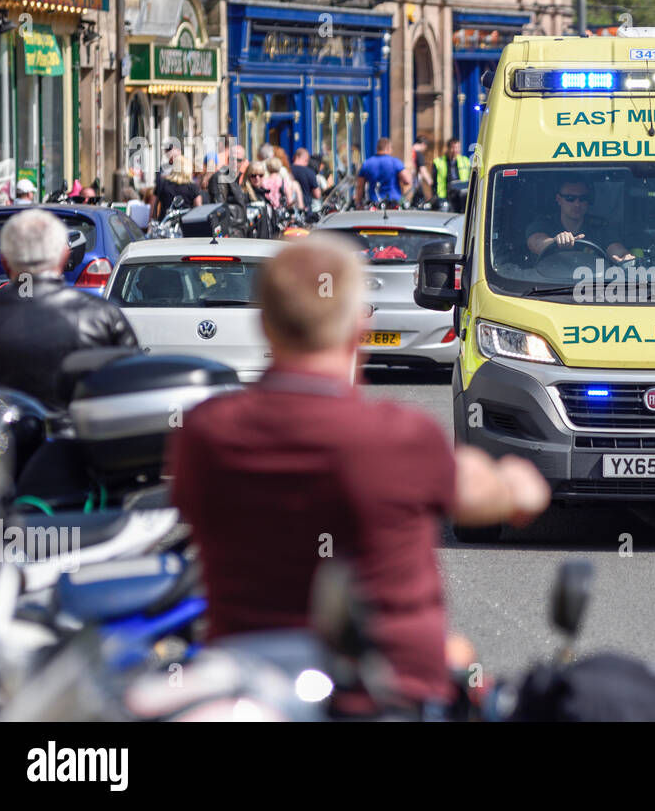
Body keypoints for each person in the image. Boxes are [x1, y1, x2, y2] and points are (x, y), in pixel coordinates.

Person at [168, 233, 550, 710]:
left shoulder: (205, 434)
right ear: (356, 329)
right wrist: (517, 482)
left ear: (266, 325)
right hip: (391, 696)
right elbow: (498, 496)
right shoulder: (400, 436)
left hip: (250, 685)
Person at [0, 209, 137, 408]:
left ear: (4, 261)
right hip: (79, 433)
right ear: (64, 257)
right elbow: (131, 389)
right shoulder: (102, 315)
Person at [525, 176, 634, 262]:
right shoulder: (544, 222)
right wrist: (554, 241)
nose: (577, 204)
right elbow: (536, 243)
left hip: (593, 286)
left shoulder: (600, 226)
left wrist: (624, 256)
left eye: (583, 198)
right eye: (570, 198)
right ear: (559, 199)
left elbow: (615, 248)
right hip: (547, 286)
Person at [355, 137, 405, 207]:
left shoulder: (367, 163)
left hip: (374, 203)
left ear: (377, 148)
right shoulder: (395, 162)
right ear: (388, 148)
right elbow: (407, 180)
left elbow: (360, 186)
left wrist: (358, 202)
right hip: (393, 202)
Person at [432, 138, 471, 203]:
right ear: (448, 148)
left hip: (462, 195)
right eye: (453, 147)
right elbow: (434, 181)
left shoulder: (465, 161)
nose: (455, 150)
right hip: (444, 196)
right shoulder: (438, 162)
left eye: (457, 147)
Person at [412, 135, 433, 203]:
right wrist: (430, 181)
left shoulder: (410, 151)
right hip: (415, 183)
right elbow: (423, 170)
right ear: (423, 144)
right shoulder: (419, 154)